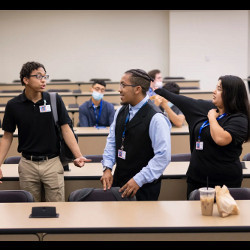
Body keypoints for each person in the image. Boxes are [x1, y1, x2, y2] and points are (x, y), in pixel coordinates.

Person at [0, 61, 91, 202]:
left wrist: (78, 155)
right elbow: (7, 137)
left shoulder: (54, 100)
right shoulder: (14, 105)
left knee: (57, 207)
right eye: (38, 76)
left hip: (52, 162)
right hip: (27, 164)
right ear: (26, 80)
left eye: (45, 76)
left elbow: (66, 129)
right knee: (28, 208)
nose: (43, 80)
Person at [155, 75, 250, 199]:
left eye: (220, 89)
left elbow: (221, 139)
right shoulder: (208, 107)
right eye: (216, 87)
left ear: (231, 94)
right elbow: (184, 101)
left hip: (225, 181)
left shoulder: (239, 119)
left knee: (223, 217)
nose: (214, 91)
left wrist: (211, 118)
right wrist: (160, 91)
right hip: (196, 177)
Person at [100, 69, 171, 201]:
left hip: (143, 187)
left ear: (137, 89)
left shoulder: (156, 118)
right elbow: (112, 141)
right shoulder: (121, 110)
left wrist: (139, 180)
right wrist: (107, 167)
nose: (119, 89)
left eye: (123, 85)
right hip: (120, 182)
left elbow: (163, 156)